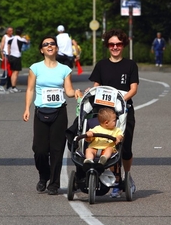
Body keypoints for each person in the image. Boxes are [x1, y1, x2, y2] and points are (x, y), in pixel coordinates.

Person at [23, 36, 81, 195]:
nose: (49, 46)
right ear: (41, 50)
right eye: (45, 44)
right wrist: (27, 108)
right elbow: (30, 89)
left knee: (57, 149)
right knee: (39, 149)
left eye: (52, 44)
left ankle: (54, 183)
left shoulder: (64, 69)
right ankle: (44, 174)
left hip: (59, 112)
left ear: (56, 48)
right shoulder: (35, 68)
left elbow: (68, 90)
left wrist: (74, 93)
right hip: (41, 111)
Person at [87, 28, 139, 195]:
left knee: (125, 148)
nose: (115, 47)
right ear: (107, 45)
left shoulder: (130, 65)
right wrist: (90, 92)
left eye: (118, 44)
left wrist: (120, 101)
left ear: (123, 45)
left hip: (124, 111)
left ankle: (125, 175)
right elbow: (96, 86)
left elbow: (133, 89)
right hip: (104, 113)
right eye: (111, 44)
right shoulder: (101, 65)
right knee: (104, 143)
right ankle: (108, 177)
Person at [7, 27, 29, 93]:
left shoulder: (11, 39)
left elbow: (8, 46)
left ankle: (11, 86)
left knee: (13, 72)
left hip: (11, 56)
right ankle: (13, 87)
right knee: (16, 73)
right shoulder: (21, 39)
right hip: (17, 56)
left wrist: (9, 54)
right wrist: (25, 37)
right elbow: (27, 42)